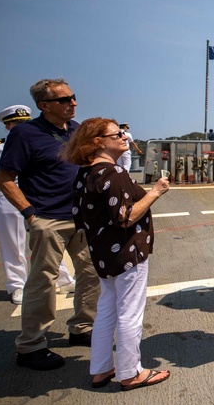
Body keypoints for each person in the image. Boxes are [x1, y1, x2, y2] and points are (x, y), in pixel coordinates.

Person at [0, 78, 100, 371]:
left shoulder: (77, 130)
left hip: (81, 216)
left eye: (73, 97)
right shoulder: (25, 135)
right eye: (65, 100)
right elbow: (5, 178)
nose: (73, 103)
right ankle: (31, 346)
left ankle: (82, 328)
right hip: (48, 218)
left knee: (92, 274)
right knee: (43, 282)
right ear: (44, 106)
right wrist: (31, 215)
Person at [64, 118, 172, 391]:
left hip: (102, 253)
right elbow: (125, 217)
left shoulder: (85, 172)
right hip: (127, 252)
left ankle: (100, 369)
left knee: (106, 311)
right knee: (130, 312)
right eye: (118, 133)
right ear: (98, 141)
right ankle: (131, 372)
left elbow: (79, 214)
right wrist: (156, 192)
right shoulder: (113, 173)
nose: (125, 136)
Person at [0, 105, 75, 304]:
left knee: (49, 239)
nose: (22, 127)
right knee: (14, 243)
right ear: (8, 127)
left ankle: (63, 279)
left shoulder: (38, 142)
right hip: (8, 199)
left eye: (25, 123)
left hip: (37, 195)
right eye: (16, 124)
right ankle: (17, 285)